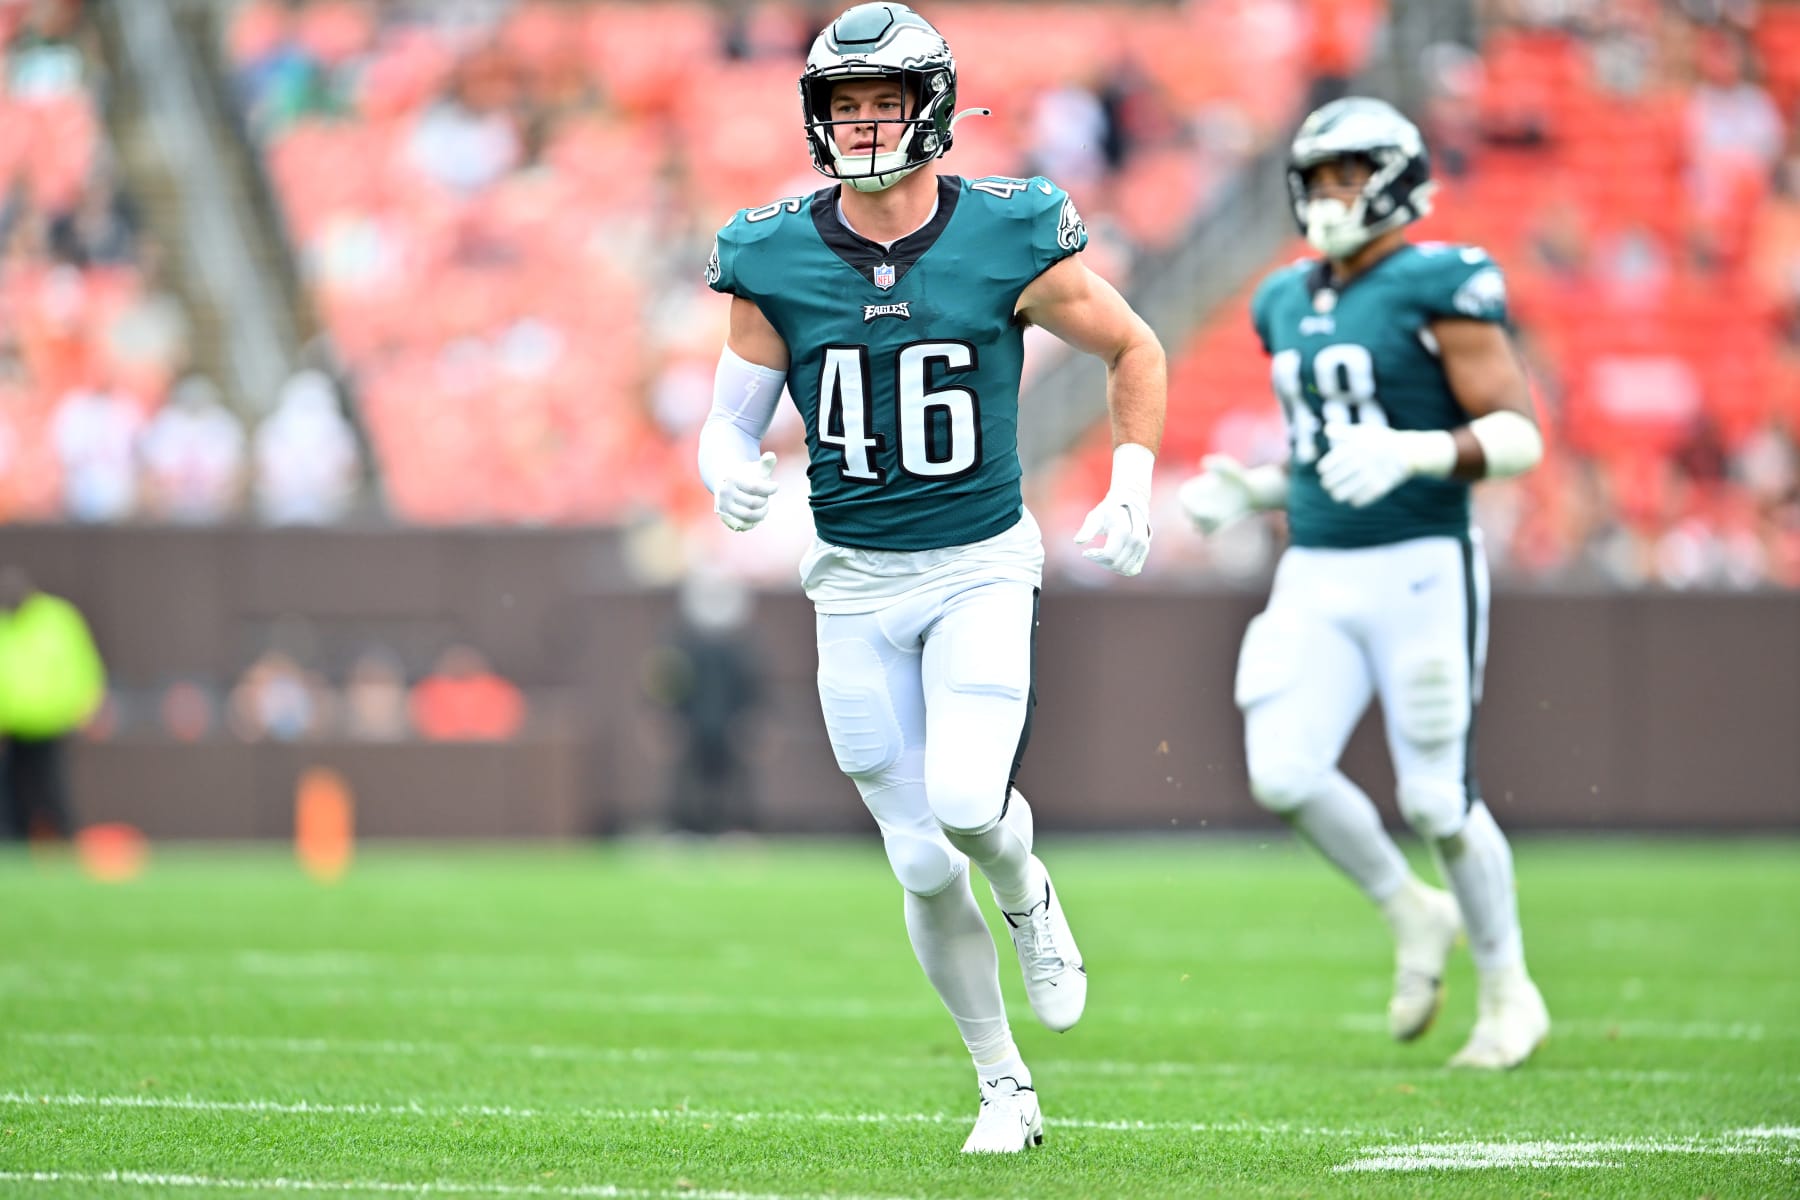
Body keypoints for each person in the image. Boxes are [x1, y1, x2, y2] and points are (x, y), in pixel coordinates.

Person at [699, 3, 1165, 1153]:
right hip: (850, 581)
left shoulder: (1008, 233)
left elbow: (1133, 348)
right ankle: (1003, 1084)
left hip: (976, 564)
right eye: (843, 108)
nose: (862, 127)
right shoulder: (771, 249)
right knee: (914, 857)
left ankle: (1029, 893)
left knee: (965, 807)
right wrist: (728, 469)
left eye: (882, 104)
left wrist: (1135, 478)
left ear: (934, 109)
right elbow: (731, 415)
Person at [1178, 97, 1550, 1069]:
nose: (1334, 193)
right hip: (1315, 566)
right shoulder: (1284, 298)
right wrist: (1252, 489)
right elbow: (1322, 450)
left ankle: (1510, 990)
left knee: (1437, 798)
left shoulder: (1441, 279)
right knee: (1283, 770)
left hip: (1422, 564)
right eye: (1323, 175)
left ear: (1395, 178)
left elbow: (1518, 435)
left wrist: (1416, 454)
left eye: (1352, 172)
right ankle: (1409, 910)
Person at [0, 566, 106, 840]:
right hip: (10, 726)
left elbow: (80, 664)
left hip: (51, 722)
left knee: (53, 790)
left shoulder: (56, 618)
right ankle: (12, 848)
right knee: (10, 793)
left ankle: (64, 844)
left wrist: (86, 703)